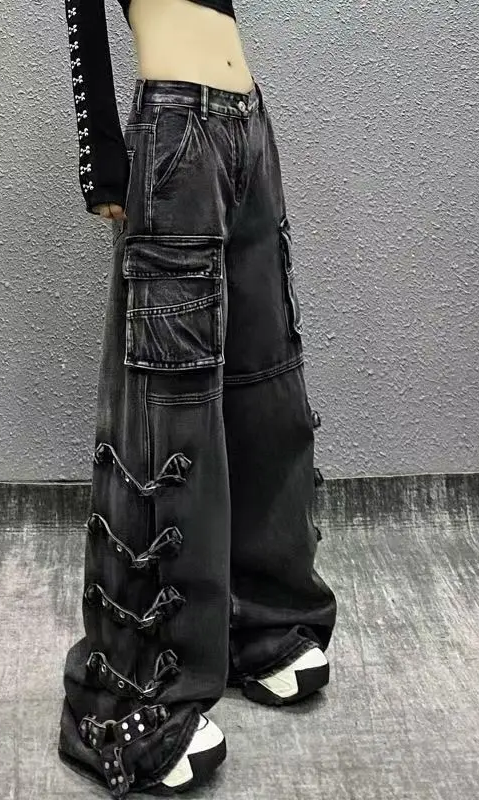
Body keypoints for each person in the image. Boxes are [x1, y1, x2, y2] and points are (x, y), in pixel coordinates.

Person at [56, 0, 338, 797]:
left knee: (264, 384)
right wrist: (101, 153)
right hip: (176, 127)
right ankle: (121, 702)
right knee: (166, 411)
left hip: (246, 123)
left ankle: (261, 621)